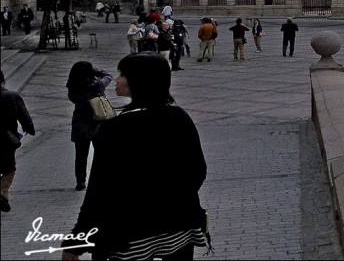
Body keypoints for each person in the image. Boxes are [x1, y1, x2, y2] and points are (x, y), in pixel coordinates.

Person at [60, 53, 208, 261]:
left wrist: (75, 243)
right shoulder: (179, 117)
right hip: (180, 227)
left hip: (130, 236)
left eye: (123, 74)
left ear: (138, 81)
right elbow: (197, 171)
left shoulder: (116, 129)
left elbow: (99, 192)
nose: (117, 79)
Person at [66, 61, 113, 190]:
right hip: (97, 121)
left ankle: (80, 180)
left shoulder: (73, 87)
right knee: (101, 153)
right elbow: (108, 76)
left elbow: (73, 99)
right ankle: (101, 178)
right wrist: (95, 71)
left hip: (79, 122)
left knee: (80, 155)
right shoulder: (96, 85)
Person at [0, 68, 35, 212]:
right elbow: (24, 116)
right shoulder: (11, 96)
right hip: (6, 140)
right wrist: (29, 128)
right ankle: (2, 193)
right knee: (9, 168)